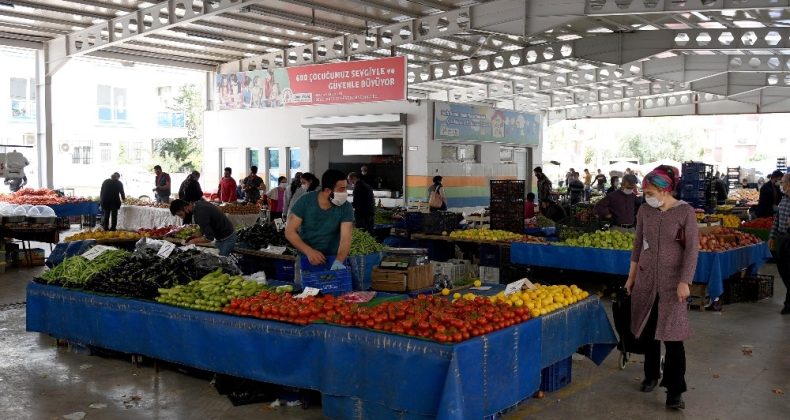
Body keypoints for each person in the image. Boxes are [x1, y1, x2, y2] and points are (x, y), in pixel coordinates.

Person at [625, 165, 698, 411]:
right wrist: (631, 276)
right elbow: (637, 245)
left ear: (665, 191)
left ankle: (675, 390)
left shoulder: (685, 212)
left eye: (651, 192)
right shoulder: (645, 210)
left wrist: (685, 281)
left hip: (672, 284)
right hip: (645, 280)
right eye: (646, 192)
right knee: (648, 332)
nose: (648, 196)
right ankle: (651, 374)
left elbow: (692, 250)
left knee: (673, 338)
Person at [285, 169, 354, 283]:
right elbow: (290, 231)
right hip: (306, 259)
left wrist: (338, 262)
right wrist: (309, 251)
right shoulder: (305, 201)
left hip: (333, 258)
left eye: (346, 188)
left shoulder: (346, 207)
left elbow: (345, 239)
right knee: (304, 296)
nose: (345, 192)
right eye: (341, 189)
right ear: (327, 190)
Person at [170, 199, 237, 256]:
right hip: (221, 237)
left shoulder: (199, 214)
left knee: (222, 263)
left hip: (227, 239)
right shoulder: (198, 204)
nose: (182, 218)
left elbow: (209, 238)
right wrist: (194, 236)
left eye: (181, 215)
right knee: (218, 258)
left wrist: (193, 241)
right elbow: (204, 226)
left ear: (185, 208)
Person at [769, 174, 790, 315]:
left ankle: (788, 304)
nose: (780, 184)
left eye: (782, 182)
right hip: (782, 238)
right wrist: (772, 236)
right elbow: (777, 219)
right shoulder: (784, 198)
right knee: (783, 269)